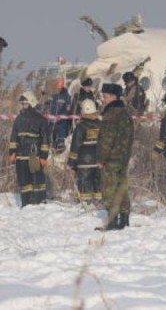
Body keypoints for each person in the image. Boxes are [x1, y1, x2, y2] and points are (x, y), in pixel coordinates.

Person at [97, 83, 134, 230]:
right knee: (121, 188)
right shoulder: (126, 113)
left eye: (105, 96)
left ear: (113, 96)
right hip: (123, 158)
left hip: (111, 158)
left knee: (109, 189)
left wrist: (101, 159)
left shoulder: (111, 114)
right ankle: (124, 219)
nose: (103, 99)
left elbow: (106, 139)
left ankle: (112, 221)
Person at [9, 91, 50, 207]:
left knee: (30, 180)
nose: (22, 106)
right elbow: (14, 138)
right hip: (30, 156)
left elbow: (45, 140)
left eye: (24, 104)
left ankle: (31, 204)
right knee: (31, 180)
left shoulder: (37, 119)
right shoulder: (36, 119)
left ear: (31, 103)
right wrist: (43, 156)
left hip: (29, 156)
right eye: (21, 104)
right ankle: (35, 203)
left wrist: (43, 157)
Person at [68, 99, 102, 205]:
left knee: (85, 183)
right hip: (99, 161)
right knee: (98, 183)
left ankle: (87, 205)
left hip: (84, 162)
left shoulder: (80, 127)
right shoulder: (102, 125)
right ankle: (99, 204)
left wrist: (71, 163)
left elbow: (75, 147)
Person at [49, 77, 72, 152]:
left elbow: (68, 110)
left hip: (62, 122)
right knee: (51, 136)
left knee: (61, 137)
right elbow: (50, 107)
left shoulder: (66, 96)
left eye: (59, 86)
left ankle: (61, 147)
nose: (58, 88)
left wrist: (61, 117)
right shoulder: (54, 95)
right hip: (53, 122)